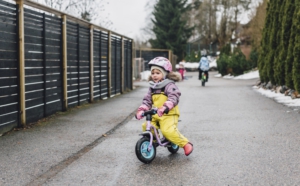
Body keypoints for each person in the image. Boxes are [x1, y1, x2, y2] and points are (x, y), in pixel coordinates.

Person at [135, 57, 193, 156]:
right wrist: (142, 109)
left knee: (167, 131)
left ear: (165, 73)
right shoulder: (152, 87)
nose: (154, 75)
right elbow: (147, 100)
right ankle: (152, 142)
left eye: (158, 73)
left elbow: (174, 97)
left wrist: (165, 107)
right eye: (153, 73)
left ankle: (185, 144)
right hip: (156, 113)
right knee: (146, 126)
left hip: (169, 114)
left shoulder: (169, 85)